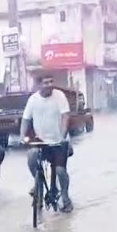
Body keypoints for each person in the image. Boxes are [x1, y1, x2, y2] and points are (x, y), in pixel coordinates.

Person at [20, 75, 73, 213]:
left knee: (61, 171)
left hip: (58, 141)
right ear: (38, 85)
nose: (49, 85)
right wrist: (22, 136)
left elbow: (65, 116)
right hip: (41, 141)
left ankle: (66, 198)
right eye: (45, 82)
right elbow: (26, 119)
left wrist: (62, 134)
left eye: (51, 81)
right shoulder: (33, 100)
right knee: (32, 156)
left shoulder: (59, 96)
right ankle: (37, 184)